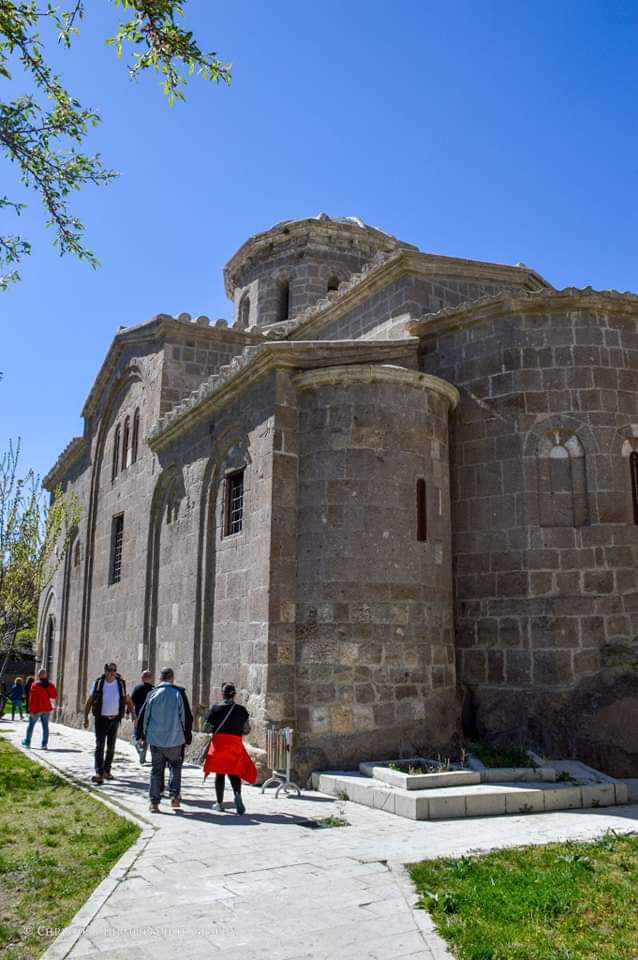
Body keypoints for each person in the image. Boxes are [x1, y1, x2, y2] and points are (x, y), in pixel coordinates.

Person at [136, 667, 192, 814]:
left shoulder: (152, 694)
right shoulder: (178, 693)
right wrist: (187, 737)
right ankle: (174, 797)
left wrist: (141, 734)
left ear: (160, 678)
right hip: (175, 738)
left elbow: (144, 716)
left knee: (156, 770)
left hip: (156, 739)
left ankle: (154, 803)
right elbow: (185, 717)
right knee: (175, 767)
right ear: (172, 678)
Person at [203, 682, 256, 815]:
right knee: (234, 772)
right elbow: (246, 729)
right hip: (234, 744)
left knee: (220, 773)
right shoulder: (242, 710)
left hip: (219, 745)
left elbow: (206, 728)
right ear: (234, 694)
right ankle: (237, 795)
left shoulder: (215, 709)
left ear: (223, 694)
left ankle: (219, 803)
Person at [83, 662, 134, 785]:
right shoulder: (99, 683)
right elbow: (89, 701)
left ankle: (107, 771)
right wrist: (85, 718)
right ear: (105, 671)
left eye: (114, 670)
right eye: (110, 670)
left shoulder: (120, 683)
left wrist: (133, 714)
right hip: (101, 719)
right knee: (100, 745)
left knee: (111, 747)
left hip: (114, 720)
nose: (112, 672)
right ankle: (99, 773)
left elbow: (127, 700)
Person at [22, 669, 57, 749]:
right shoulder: (50, 684)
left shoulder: (35, 685)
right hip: (46, 708)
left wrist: (30, 710)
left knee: (31, 725)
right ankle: (44, 745)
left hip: (37, 708)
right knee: (45, 727)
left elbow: (32, 699)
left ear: (38, 676)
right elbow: (54, 696)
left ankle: (27, 742)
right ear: (46, 675)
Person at [130, 669, 154, 764]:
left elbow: (131, 702)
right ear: (151, 679)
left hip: (138, 717)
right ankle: (143, 754)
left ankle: (140, 749)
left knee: (136, 736)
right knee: (147, 736)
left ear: (142, 678)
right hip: (150, 717)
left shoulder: (137, 688)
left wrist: (129, 713)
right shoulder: (154, 690)